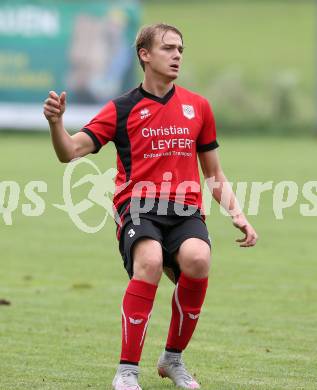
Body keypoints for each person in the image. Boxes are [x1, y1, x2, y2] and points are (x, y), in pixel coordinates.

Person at [43, 23, 258, 390]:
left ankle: (172, 360)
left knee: (198, 260)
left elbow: (214, 173)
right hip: (137, 207)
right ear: (145, 55)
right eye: (168, 48)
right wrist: (57, 123)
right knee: (151, 262)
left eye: (180, 49)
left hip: (186, 208)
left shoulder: (198, 106)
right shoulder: (121, 108)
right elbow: (70, 152)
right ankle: (126, 371)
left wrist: (237, 213)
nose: (177, 55)